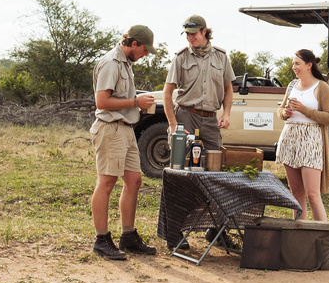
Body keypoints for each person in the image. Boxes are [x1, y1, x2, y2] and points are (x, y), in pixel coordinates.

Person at [88, 25, 159, 260]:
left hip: (126, 128)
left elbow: (120, 98)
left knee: (134, 180)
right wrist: (135, 102)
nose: (145, 55)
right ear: (134, 44)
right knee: (106, 182)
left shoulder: (125, 63)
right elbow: (102, 101)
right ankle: (101, 239)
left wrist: (136, 103)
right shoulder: (111, 62)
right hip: (110, 128)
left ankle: (128, 236)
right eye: (144, 50)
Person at [275, 49, 329, 222]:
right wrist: (285, 112)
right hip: (289, 140)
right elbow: (280, 111)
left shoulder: (322, 87)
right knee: (295, 193)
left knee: (312, 194)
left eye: (297, 63)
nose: (294, 67)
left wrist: (304, 110)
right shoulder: (292, 85)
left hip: (311, 142)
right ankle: (298, 234)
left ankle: (322, 239)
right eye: (293, 63)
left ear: (309, 65)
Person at [163, 14, 235, 152]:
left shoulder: (221, 57)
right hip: (186, 117)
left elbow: (228, 89)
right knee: (180, 162)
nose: (190, 37)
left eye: (193, 33)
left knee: (215, 163)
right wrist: (173, 124)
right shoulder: (180, 57)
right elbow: (167, 93)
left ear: (204, 31)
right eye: (187, 34)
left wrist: (226, 113)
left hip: (210, 119)